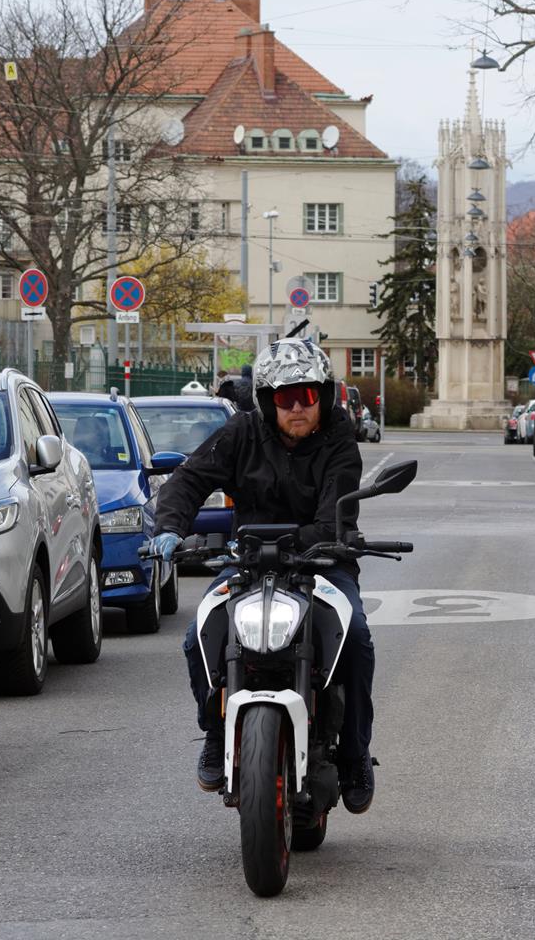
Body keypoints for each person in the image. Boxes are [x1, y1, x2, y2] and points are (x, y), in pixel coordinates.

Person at [149, 339, 375, 813]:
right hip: (249, 561)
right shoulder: (241, 433)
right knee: (197, 635)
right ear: (267, 401)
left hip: (322, 560)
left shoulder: (339, 438)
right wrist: (170, 527)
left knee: (354, 636)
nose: (297, 407)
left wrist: (303, 542)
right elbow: (189, 479)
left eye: (307, 395)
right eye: (285, 397)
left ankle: (355, 754)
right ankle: (216, 732)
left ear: (323, 397)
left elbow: (333, 519)